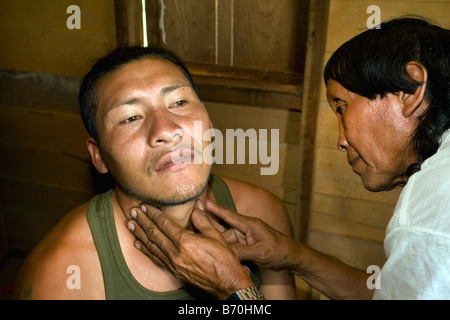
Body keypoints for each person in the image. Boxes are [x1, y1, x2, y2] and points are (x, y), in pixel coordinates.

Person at [127, 17, 450, 299]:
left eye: (341, 107)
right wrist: (291, 256)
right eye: (130, 117)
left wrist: (233, 288)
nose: (341, 140)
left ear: (411, 89)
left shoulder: (426, 218)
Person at [12, 45, 296, 300]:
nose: (166, 130)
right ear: (99, 157)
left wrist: (235, 287)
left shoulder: (262, 217)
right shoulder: (61, 276)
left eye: (180, 102)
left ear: (208, 119)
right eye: (130, 118)